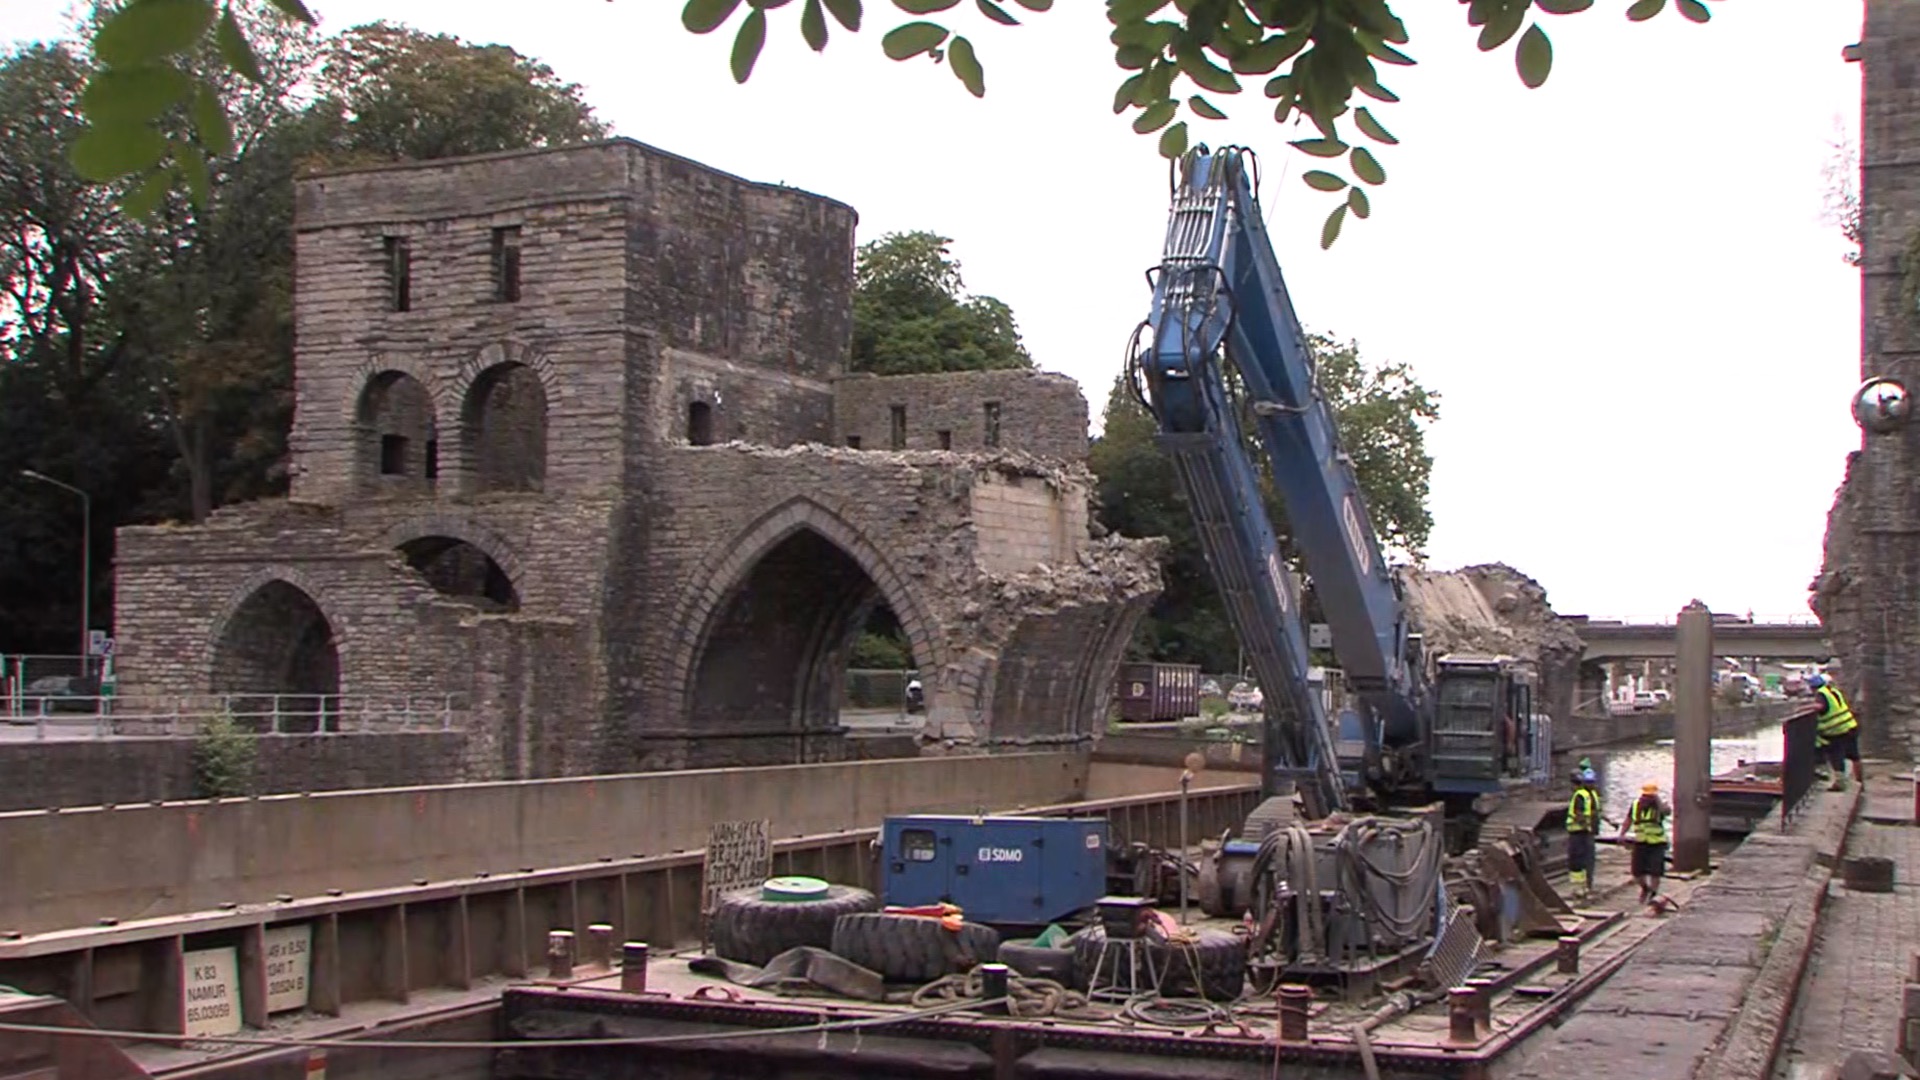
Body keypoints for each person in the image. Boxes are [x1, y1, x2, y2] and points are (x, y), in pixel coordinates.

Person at [1808, 673, 1861, 792]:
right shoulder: (1833, 691)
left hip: (1837, 731)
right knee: (1854, 756)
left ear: (1812, 687)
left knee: (1836, 756)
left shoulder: (1821, 694)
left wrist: (1804, 708)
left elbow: (1820, 706)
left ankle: (1839, 783)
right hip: (1850, 726)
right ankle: (1859, 781)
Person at [1620, 782, 1670, 907]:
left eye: (1651, 796)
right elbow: (1628, 820)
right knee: (1637, 872)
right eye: (1646, 796)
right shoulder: (1636, 805)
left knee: (1655, 872)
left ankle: (1653, 893)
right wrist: (1622, 834)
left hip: (1657, 843)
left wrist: (1658, 802)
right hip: (1641, 842)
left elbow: (1667, 812)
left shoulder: (1660, 807)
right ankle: (1645, 888)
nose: (1648, 799)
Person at [1565, 768, 1602, 902]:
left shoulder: (1580, 795)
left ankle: (1578, 889)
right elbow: (1595, 813)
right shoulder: (1592, 795)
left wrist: (1584, 823)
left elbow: (1579, 813)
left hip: (1579, 832)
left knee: (1576, 861)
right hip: (1588, 832)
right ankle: (1586, 887)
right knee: (1588, 860)